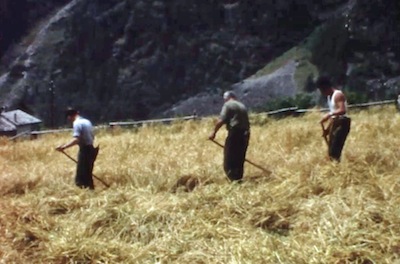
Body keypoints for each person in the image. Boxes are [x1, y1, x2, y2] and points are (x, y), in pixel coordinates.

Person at [209, 91, 250, 182]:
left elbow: (221, 120)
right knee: (240, 157)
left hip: (235, 133)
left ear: (226, 98)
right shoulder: (241, 105)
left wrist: (213, 133)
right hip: (246, 134)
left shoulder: (228, 105)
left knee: (230, 157)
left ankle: (232, 178)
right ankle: (238, 178)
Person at [56, 108, 97, 189]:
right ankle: (91, 191)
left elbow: (76, 139)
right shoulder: (87, 121)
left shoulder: (77, 123)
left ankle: (84, 193)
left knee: (81, 176)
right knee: (88, 173)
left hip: (85, 150)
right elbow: (92, 135)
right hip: (92, 148)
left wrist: (63, 147)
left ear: (69, 117)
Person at [317, 76, 351, 162]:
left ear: (325, 87)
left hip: (342, 123)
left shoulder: (338, 95)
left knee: (334, 151)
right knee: (331, 150)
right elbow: (333, 117)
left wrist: (328, 114)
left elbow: (342, 110)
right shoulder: (329, 98)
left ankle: (337, 169)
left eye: (321, 90)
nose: (321, 93)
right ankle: (335, 167)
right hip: (335, 123)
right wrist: (327, 130)